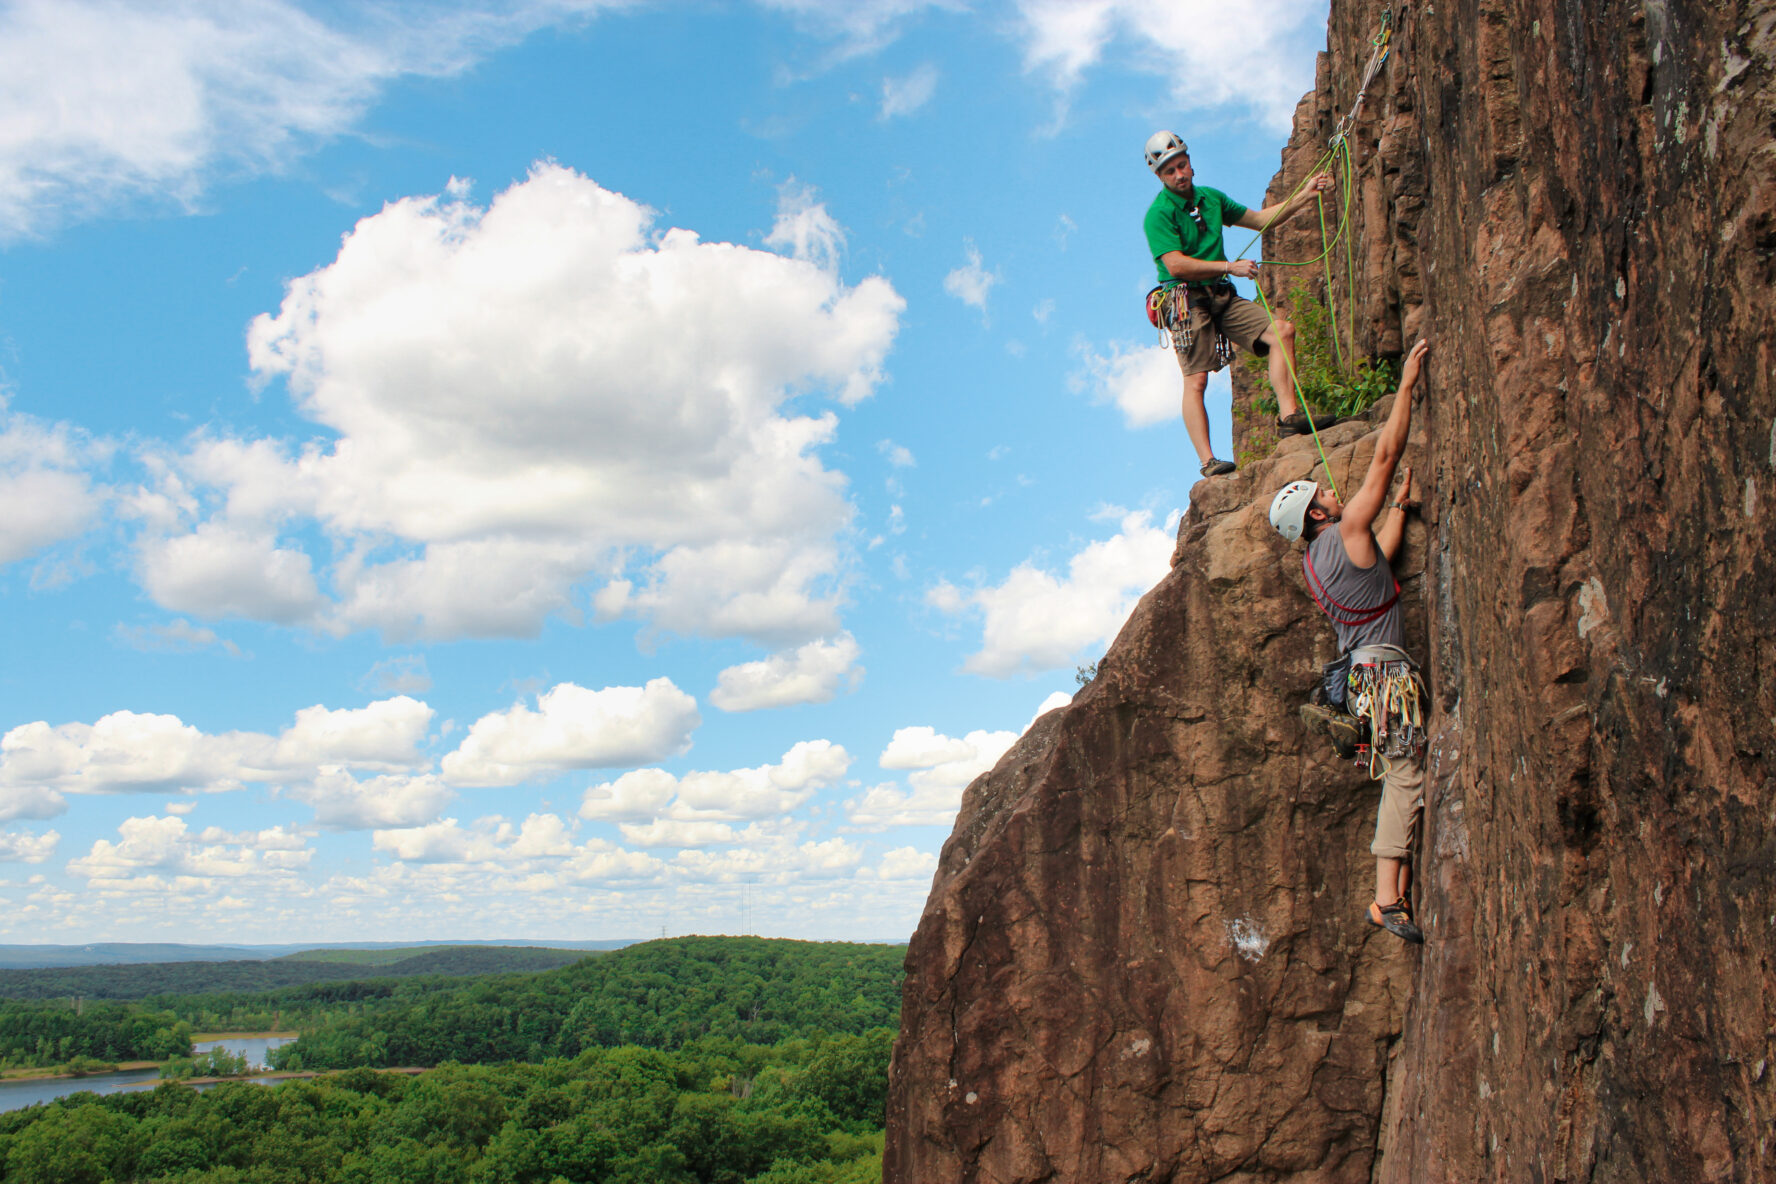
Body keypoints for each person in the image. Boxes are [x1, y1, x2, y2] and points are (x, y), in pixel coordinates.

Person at [1268, 338, 1431, 944]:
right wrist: (1408, 386)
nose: (1333, 493)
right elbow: (1385, 457)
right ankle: (1386, 899)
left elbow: (1377, 570)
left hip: (1363, 680)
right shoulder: (1344, 532)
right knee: (1407, 772)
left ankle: (1394, 891)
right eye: (1324, 496)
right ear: (1316, 515)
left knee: (1397, 771)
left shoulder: (1318, 564)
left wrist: (1401, 515)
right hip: (1385, 677)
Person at [1142, 131, 1341, 479]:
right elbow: (1175, 264)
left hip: (1220, 293)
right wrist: (1228, 266)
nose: (1179, 174)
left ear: (1190, 163)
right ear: (1160, 176)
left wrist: (1305, 195)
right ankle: (1208, 461)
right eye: (1170, 171)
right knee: (1197, 380)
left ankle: (1289, 417)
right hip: (1186, 299)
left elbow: (1260, 220)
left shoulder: (1211, 199)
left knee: (1282, 331)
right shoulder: (1158, 214)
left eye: (1182, 165)